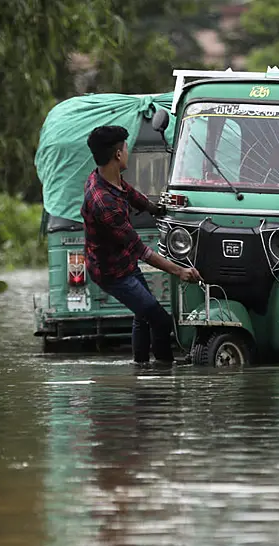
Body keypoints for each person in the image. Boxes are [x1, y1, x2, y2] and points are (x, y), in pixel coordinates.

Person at [81, 125, 203, 366]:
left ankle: (141, 367)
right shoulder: (103, 202)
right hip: (112, 272)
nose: (128, 153)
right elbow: (141, 250)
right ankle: (163, 370)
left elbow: (131, 194)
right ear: (118, 155)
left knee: (143, 314)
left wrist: (158, 209)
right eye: (126, 149)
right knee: (161, 320)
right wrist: (180, 271)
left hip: (124, 261)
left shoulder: (107, 180)